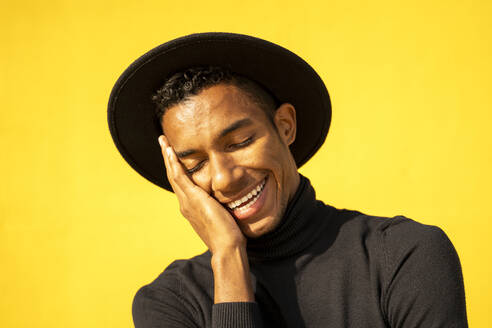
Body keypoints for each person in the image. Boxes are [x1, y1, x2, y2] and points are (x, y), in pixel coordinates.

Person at [108, 33, 468, 327]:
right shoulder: (171, 301)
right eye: (194, 164)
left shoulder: (403, 257)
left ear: (285, 126)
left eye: (241, 142)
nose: (223, 178)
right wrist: (229, 261)